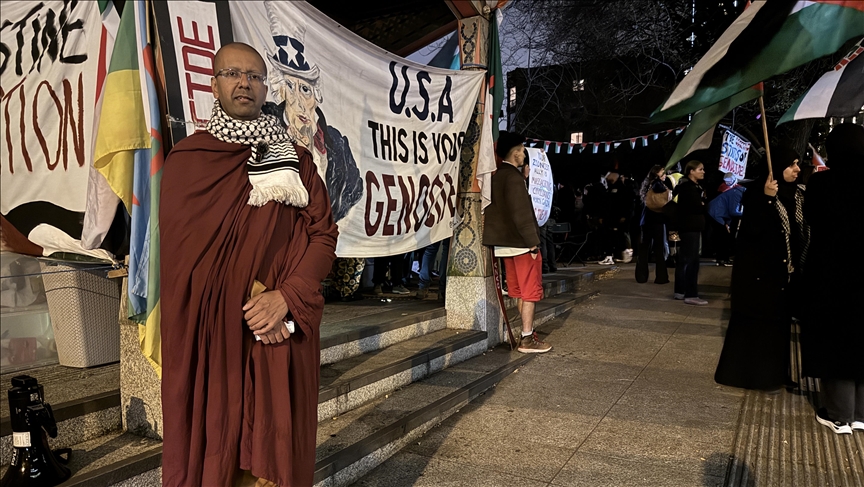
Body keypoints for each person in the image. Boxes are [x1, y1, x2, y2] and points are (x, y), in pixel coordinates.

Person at [159, 43, 339, 487]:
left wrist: (286, 298)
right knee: (218, 443)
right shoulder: (188, 161)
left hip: (281, 330)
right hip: (216, 335)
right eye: (233, 73)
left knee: (273, 452)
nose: (245, 83)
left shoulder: (296, 162)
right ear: (214, 83)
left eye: (255, 76)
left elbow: (323, 235)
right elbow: (183, 261)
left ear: (266, 87)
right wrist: (253, 303)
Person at [714, 146, 805, 392]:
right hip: (761, 275)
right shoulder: (756, 194)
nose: (797, 169)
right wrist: (766, 198)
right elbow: (752, 233)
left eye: (797, 163)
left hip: (786, 273)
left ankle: (779, 373)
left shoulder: (795, 195)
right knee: (762, 327)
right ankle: (760, 376)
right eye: (791, 164)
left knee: (781, 327)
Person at [800, 123, 864, 434]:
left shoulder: (821, 183)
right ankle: (862, 410)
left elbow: (811, 218)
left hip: (831, 271)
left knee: (835, 338)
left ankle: (840, 413)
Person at [483, 131, 551, 353]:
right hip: (521, 244)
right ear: (515, 153)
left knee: (519, 291)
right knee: (530, 291)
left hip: (503, 245)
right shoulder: (513, 178)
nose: (524, 154)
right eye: (522, 150)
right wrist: (533, 243)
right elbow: (520, 213)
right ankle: (527, 338)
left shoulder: (498, 176)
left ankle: (523, 332)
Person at [673, 160, 708, 305]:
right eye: (700, 169)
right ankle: (691, 294)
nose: (703, 172)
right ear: (691, 171)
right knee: (691, 260)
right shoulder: (689, 188)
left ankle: (680, 291)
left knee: (685, 259)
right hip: (690, 227)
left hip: (689, 226)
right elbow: (696, 207)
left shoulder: (689, 187)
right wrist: (703, 203)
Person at [635, 165, 670, 284]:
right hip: (657, 220)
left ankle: (641, 276)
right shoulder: (657, 183)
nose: (665, 175)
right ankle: (661, 277)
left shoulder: (646, 184)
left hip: (645, 221)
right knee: (659, 250)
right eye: (663, 173)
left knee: (644, 250)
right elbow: (661, 190)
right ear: (656, 173)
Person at [596, 171, 635, 265]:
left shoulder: (622, 190)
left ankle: (620, 254)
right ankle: (614, 255)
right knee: (614, 236)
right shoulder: (612, 189)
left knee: (619, 235)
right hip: (612, 217)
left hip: (616, 217)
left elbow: (625, 204)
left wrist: (624, 215)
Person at [707, 173, 745, 266]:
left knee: (722, 236)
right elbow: (732, 211)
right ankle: (722, 258)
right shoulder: (737, 193)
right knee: (723, 236)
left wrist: (727, 222)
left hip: (717, 212)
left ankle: (722, 258)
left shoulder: (736, 191)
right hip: (716, 213)